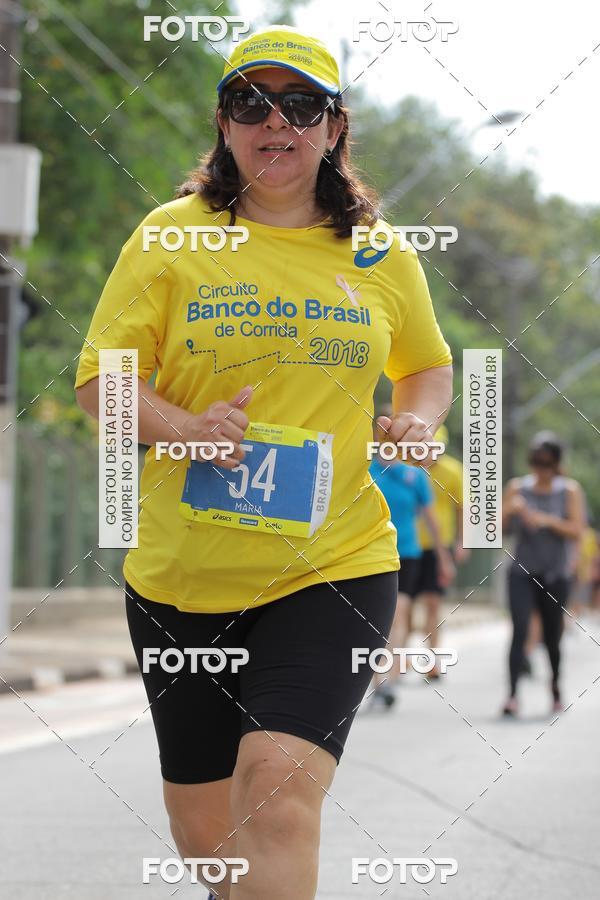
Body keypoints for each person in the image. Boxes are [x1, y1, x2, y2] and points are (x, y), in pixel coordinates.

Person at [75, 25, 453, 900]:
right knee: (212, 842)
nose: (273, 122)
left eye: (300, 105)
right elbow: (102, 383)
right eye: (251, 103)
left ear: (334, 128)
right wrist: (183, 427)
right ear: (223, 122)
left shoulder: (380, 252)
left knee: (277, 800)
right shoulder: (172, 237)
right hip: (183, 582)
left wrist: (420, 420)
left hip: (334, 564)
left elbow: (428, 367)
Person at [369, 409, 454, 706]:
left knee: (399, 612)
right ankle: (378, 680)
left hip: (405, 552)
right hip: (366, 553)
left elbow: (430, 519)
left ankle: (389, 681)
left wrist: (444, 557)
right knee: (371, 621)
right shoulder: (362, 468)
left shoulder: (414, 475)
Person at [501, 432, 585, 716]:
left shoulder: (569, 491)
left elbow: (577, 530)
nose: (541, 469)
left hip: (555, 575)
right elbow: (493, 529)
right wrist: (509, 510)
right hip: (522, 572)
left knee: (551, 636)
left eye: (546, 463)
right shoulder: (517, 488)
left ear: (556, 464)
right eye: (536, 462)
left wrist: (545, 520)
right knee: (519, 629)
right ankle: (512, 695)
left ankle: (556, 687)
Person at [411, 424, 468, 676]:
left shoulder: (453, 471)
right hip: (406, 544)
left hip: (438, 546)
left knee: (433, 603)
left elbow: (462, 508)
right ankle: (399, 658)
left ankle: (432, 660)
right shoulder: (406, 468)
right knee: (404, 605)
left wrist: (461, 542)